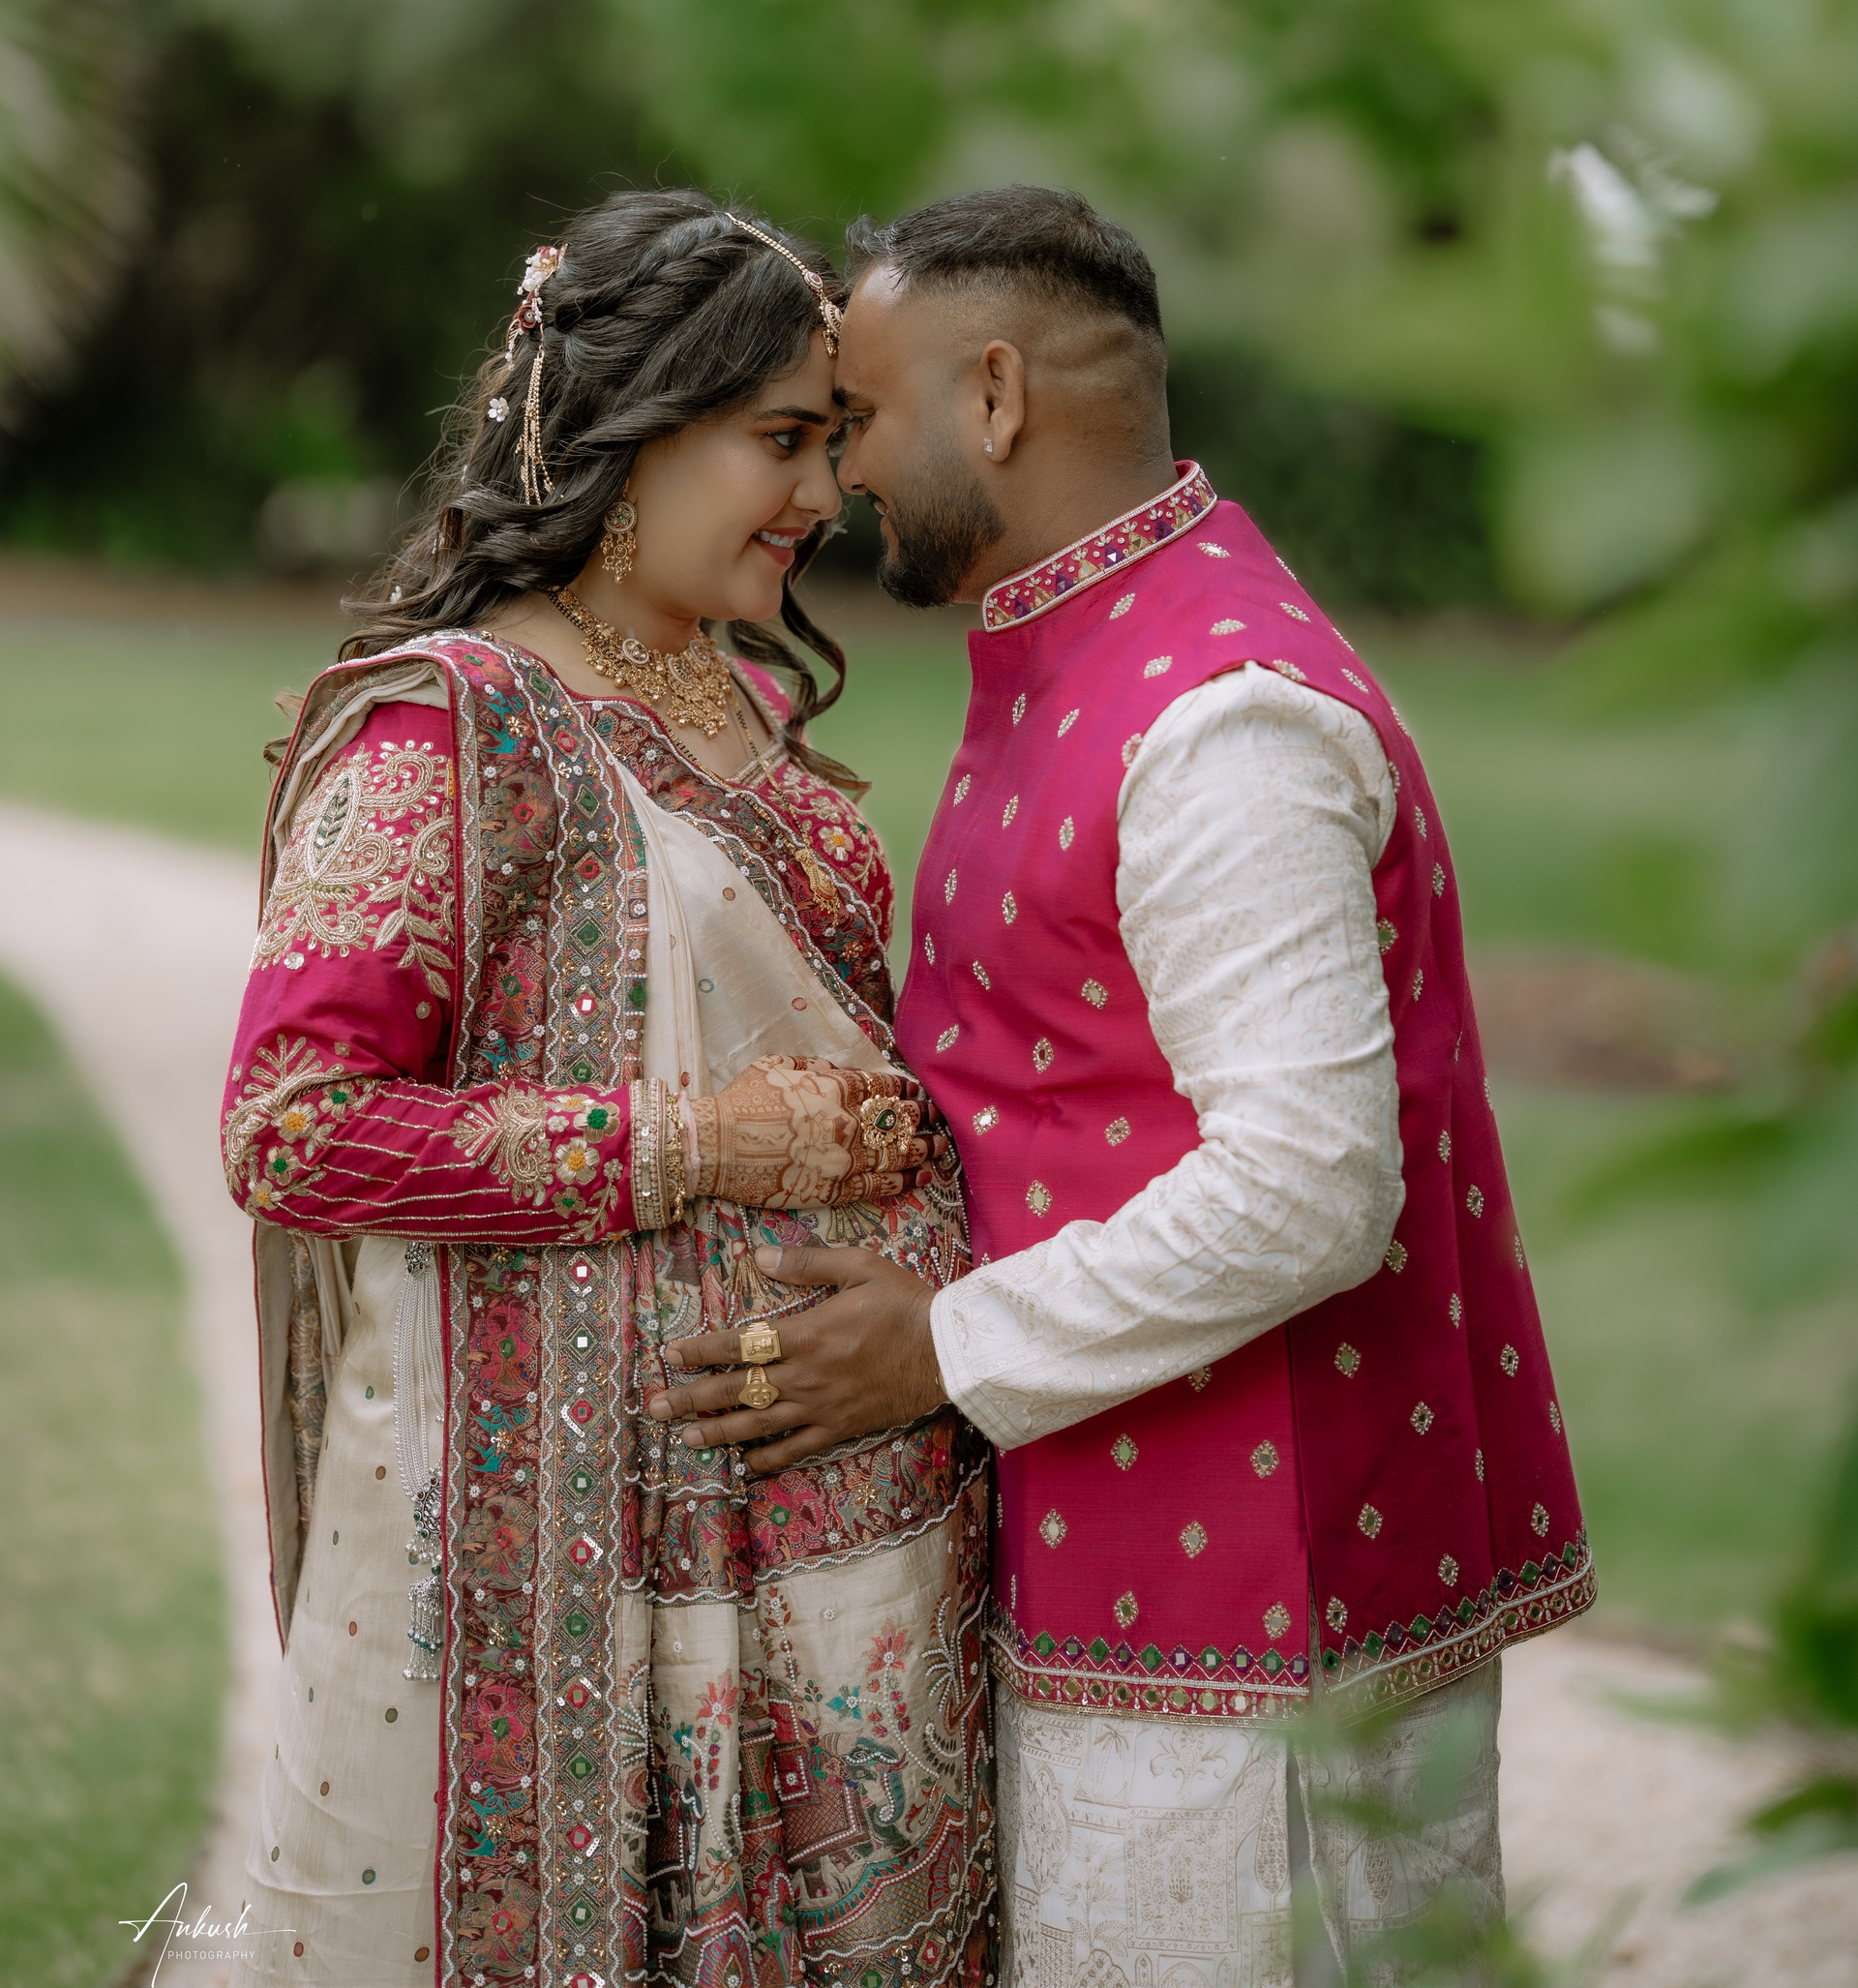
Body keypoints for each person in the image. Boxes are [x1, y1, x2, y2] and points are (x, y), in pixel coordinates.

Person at [650, 186, 1596, 1986]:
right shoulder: (1093, 641)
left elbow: (1310, 1184)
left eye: (862, 416)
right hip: (1141, 1545)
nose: (841, 475)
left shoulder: (1220, 721)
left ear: (996, 396)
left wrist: (939, 1348)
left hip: (1262, 1623)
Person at [220, 189, 993, 1988]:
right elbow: (294, 1127)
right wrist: (703, 1146)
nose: (823, 495)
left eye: (835, 441)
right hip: (577, 1539)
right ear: (625, 439)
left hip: (835, 1505)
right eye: (781, 441)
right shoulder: (452, 727)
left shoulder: (730, 696)